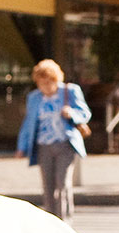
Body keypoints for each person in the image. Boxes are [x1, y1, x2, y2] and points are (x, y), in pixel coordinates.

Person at [16, 58, 91, 219]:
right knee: (48, 187)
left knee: (62, 184)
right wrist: (22, 146)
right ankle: (51, 221)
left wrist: (71, 113)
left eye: (49, 82)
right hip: (44, 146)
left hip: (65, 144)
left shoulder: (69, 91)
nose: (46, 87)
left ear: (56, 79)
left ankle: (65, 221)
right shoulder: (34, 98)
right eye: (41, 83)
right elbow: (28, 122)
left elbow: (85, 113)